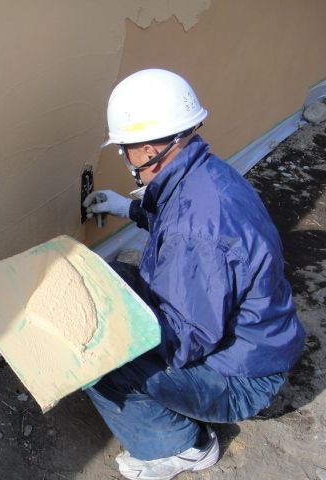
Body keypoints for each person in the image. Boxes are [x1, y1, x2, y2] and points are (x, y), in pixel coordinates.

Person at [82, 68, 306, 480]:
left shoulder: (196, 232)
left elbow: (183, 341)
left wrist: (104, 335)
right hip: (259, 339)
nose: (126, 159)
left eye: (125, 151)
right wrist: (129, 208)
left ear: (148, 150)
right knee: (113, 279)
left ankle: (183, 448)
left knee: (97, 361)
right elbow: (180, 219)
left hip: (244, 377)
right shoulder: (205, 174)